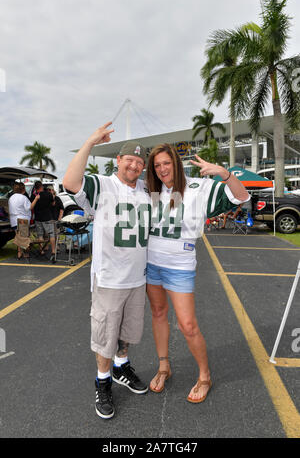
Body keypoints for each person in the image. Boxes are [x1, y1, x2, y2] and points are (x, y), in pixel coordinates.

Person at [145, 144, 250, 403]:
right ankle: (163, 366)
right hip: (151, 263)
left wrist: (224, 173)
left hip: (179, 265)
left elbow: (242, 196)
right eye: (157, 165)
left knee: (188, 325)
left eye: (166, 163)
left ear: (176, 163)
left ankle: (204, 375)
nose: (162, 169)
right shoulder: (152, 190)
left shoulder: (198, 187)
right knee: (158, 314)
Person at [63, 122, 151, 420]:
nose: (135, 165)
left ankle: (121, 367)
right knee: (105, 335)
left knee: (126, 333)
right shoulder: (103, 185)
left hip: (137, 279)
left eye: (140, 162)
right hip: (110, 279)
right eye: (130, 159)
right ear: (118, 161)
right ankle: (102, 382)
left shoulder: (144, 190)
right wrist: (90, 142)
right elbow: (71, 182)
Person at [8, 182, 40, 259]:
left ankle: (19, 253)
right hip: (22, 219)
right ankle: (26, 253)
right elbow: (30, 207)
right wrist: (36, 199)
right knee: (24, 238)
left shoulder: (11, 198)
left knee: (19, 237)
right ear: (23, 189)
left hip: (14, 220)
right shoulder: (23, 198)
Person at [30, 181, 56, 260]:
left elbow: (31, 206)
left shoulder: (33, 196)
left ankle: (41, 251)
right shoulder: (48, 194)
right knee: (51, 234)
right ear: (41, 187)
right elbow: (53, 204)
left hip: (38, 218)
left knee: (40, 235)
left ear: (35, 188)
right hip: (48, 217)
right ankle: (53, 251)